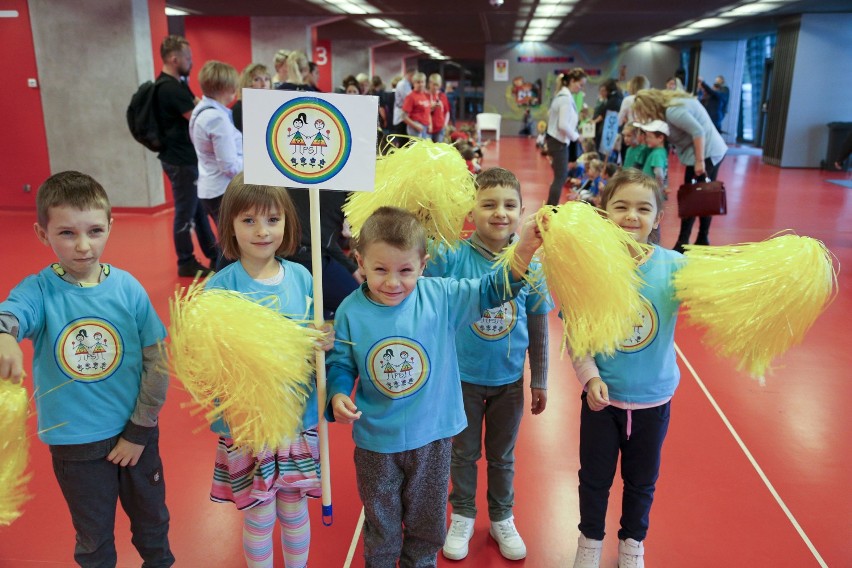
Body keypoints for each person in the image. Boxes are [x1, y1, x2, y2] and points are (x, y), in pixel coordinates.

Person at [326, 206, 542, 567]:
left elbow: (493, 289)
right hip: (377, 442)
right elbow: (341, 363)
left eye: (405, 270)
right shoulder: (350, 310)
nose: (393, 282)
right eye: (380, 270)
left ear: (423, 264)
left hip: (433, 438)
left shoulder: (441, 297)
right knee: (381, 523)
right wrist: (336, 392)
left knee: (427, 524)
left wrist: (523, 252)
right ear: (359, 261)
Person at [0, 171, 174, 567]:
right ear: (43, 234)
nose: (83, 246)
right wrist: (4, 334)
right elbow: (11, 312)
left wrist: (139, 431)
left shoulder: (128, 288)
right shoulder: (39, 290)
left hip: (136, 433)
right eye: (66, 233)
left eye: (95, 230)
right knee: (94, 538)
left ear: (110, 226)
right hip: (75, 444)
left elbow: (156, 362)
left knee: (153, 525)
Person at [424, 168, 553, 562]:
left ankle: (501, 516)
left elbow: (538, 324)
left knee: (502, 455)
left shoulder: (532, 263)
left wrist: (540, 379)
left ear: (522, 211)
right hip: (459, 379)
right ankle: (462, 513)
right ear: (471, 210)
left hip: (510, 381)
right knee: (462, 454)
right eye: (489, 204)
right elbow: (426, 297)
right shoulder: (452, 257)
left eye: (510, 205)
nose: (500, 213)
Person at [207, 173, 333, 568]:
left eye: (272, 220)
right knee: (260, 515)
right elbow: (212, 360)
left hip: (297, 419)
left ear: (287, 223)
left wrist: (323, 339)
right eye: (249, 221)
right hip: (251, 425)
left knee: (294, 510)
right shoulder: (220, 288)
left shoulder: (302, 276)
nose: (262, 231)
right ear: (229, 225)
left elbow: (315, 335)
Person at [570, 169, 682, 568]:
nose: (631, 216)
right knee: (594, 480)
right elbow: (578, 334)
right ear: (604, 213)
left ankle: (633, 543)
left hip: (653, 400)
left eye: (642, 208)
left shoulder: (674, 266)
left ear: (658, 218)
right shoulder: (589, 270)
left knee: (642, 482)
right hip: (603, 401)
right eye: (621, 206)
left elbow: (717, 298)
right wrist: (591, 377)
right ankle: (589, 543)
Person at [633, 88, 727, 252]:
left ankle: (684, 243)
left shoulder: (673, 111)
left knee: (693, 198)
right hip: (708, 152)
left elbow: (698, 131)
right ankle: (700, 240)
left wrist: (699, 162)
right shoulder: (672, 106)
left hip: (707, 153)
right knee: (701, 196)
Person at [155, 35, 216, 277]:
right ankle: (185, 260)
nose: (191, 62)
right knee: (185, 211)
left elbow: (197, 106)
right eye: (187, 58)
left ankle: (214, 253)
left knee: (198, 209)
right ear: (174, 58)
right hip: (180, 161)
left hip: (184, 159)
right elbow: (197, 117)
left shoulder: (177, 84)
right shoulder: (169, 88)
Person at [189, 61, 243, 232]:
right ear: (223, 87)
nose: (235, 89)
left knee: (228, 243)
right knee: (232, 246)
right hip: (222, 190)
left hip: (212, 188)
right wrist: (256, 163)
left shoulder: (201, 111)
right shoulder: (216, 118)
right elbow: (229, 166)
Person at [546, 68, 588, 206]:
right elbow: (563, 125)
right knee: (560, 177)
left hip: (556, 141)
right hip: (558, 142)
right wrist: (577, 137)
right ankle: (551, 208)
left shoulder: (563, 97)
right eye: (580, 84)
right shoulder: (565, 99)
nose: (580, 88)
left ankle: (551, 206)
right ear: (571, 81)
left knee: (560, 176)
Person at [232, 63, 273, 133]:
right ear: (247, 83)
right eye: (257, 79)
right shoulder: (239, 109)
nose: (264, 84)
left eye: (266, 79)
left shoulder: (272, 106)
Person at [635, 120, 670, 193]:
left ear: (660, 138)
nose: (647, 139)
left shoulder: (657, 154)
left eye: (649, 137)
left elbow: (659, 173)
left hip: (651, 190)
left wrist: (659, 188)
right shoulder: (660, 151)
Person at [402, 72, 432, 139]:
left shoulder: (424, 95)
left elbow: (427, 111)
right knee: (417, 149)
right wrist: (415, 126)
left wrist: (430, 124)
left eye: (422, 82)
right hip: (416, 127)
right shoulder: (411, 97)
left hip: (425, 126)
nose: (421, 84)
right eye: (418, 82)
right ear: (414, 83)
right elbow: (403, 116)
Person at [392, 67, 416, 139]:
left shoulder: (407, 84)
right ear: (410, 75)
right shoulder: (403, 84)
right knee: (402, 142)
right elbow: (409, 99)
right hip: (401, 117)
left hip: (405, 116)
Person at [427, 73, 451, 143]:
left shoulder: (443, 96)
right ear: (429, 84)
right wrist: (430, 107)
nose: (435, 87)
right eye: (433, 84)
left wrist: (445, 124)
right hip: (428, 128)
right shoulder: (425, 95)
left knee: (437, 149)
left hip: (440, 127)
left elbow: (447, 112)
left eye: (437, 85)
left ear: (440, 85)